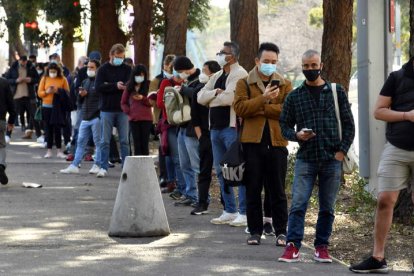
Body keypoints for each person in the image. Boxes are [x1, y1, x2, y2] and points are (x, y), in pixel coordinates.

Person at [278, 49, 355, 263]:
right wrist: (296, 135)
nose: (310, 70)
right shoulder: (295, 96)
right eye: (306, 66)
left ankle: (322, 247)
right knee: (299, 204)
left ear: (321, 65)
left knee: (327, 207)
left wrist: (341, 152)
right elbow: (283, 124)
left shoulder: (335, 91)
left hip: (332, 158)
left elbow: (349, 124)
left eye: (313, 65)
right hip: (306, 159)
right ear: (302, 67)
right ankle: (292, 245)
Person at [349, 58, 414, 273]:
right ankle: (378, 258)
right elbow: (379, 111)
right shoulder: (396, 78)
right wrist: (407, 115)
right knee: (385, 200)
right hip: (396, 148)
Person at [234, 42, 291, 245]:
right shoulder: (244, 83)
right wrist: (265, 98)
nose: (270, 65)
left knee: (278, 189)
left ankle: (281, 231)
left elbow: (287, 111)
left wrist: (261, 107)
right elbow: (240, 108)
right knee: (253, 188)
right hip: (251, 143)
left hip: (277, 142)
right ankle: (255, 231)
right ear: (257, 61)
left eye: (274, 62)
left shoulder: (285, 83)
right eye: (266, 61)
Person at [197, 41, 248, 227]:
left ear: (232, 56)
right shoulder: (217, 74)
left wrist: (213, 96)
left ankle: (244, 212)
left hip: (231, 128)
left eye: (223, 52)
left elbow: (229, 98)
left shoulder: (240, 73)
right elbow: (199, 97)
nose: (219, 54)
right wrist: (215, 93)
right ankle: (229, 210)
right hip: (215, 129)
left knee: (238, 169)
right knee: (220, 170)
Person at [95, 43, 132, 177]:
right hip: (107, 109)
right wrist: (114, 86)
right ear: (111, 55)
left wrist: (126, 86)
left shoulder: (127, 69)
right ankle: (103, 166)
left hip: (123, 109)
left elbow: (131, 84)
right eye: (117, 57)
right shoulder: (103, 69)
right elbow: (98, 87)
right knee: (105, 140)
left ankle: (126, 167)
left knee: (124, 140)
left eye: (122, 57)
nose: (119, 60)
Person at [60, 59, 102, 174]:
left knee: (98, 142)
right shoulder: (84, 82)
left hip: (96, 117)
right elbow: (79, 101)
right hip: (85, 117)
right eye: (88, 67)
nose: (89, 69)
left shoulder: (100, 83)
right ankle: (75, 165)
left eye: (92, 67)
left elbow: (101, 99)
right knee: (80, 141)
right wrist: (81, 95)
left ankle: (97, 164)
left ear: (97, 69)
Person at [172, 56, 204, 207]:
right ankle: (190, 193)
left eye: (180, 71)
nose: (179, 74)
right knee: (184, 164)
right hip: (183, 126)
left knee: (196, 164)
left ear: (186, 68)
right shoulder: (186, 80)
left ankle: (202, 196)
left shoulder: (201, 78)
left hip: (194, 127)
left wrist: (183, 89)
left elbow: (198, 95)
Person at [190, 60, 221, 215]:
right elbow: (194, 117)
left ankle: (226, 204)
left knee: (223, 170)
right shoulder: (198, 91)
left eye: (205, 70)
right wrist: (201, 137)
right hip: (206, 135)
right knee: (204, 170)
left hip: (220, 132)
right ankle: (202, 202)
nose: (202, 73)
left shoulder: (223, 89)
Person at [156, 63, 187, 202]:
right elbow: (159, 103)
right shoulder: (165, 83)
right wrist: (174, 95)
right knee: (174, 157)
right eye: (177, 71)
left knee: (182, 158)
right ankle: (178, 186)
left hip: (185, 123)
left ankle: (183, 187)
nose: (179, 74)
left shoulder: (187, 83)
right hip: (170, 124)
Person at [149, 54, 175, 192]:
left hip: (175, 118)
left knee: (174, 150)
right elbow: (151, 101)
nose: (171, 69)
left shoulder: (178, 80)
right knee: (164, 148)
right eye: (170, 66)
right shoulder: (157, 80)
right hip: (161, 118)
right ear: (164, 66)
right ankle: (164, 176)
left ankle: (173, 178)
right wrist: (159, 94)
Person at [37, 62, 71, 158]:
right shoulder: (44, 78)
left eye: (54, 71)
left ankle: (59, 151)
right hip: (46, 106)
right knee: (48, 129)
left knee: (57, 129)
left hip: (58, 107)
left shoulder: (63, 79)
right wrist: (47, 92)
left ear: (58, 71)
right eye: (51, 71)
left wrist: (58, 91)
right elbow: (39, 93)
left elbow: (67, 93)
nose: (52, 73)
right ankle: (49, 151)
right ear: (48, 71)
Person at [4, 55, 39, 139]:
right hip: (16, 96)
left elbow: (37, 78)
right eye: (22, 61)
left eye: (25, 61)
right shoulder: (13, 68)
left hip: (29, 96)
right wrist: (16, 80)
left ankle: (39, 135)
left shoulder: (31, 67)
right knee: (12, 115)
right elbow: (7, 80)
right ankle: (8, 134)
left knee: (34, 115)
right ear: (19, 61)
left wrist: (30, 80)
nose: (23, 63)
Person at [121, 64, 152, 156]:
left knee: (145, 143)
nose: (140, 77)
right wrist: (128, 111)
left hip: (146, 119)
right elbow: (123, 102)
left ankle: (146, 164)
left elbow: (151, 102)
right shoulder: (129, 86)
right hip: (133, 119)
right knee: (136, 143)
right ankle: (138, 165)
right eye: (138, 75)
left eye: (142, 75)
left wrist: (143, 98)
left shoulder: (149, 85)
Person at [0, 76, 16, 185]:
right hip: (0, 119)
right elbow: (11, 102)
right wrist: (11, 120)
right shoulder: (4, 82)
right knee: (1, 145)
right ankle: (1, 165)